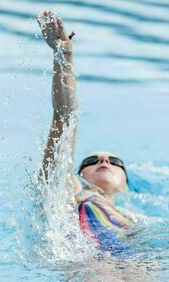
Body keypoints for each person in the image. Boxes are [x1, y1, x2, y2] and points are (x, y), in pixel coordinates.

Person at [37, 11, 137, 256]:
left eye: (115, 162)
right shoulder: (72, 193)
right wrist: (64, 56)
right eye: (92, 160)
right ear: (78, 175)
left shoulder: (137, 220)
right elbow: (64, 119)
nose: (104, 161)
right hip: (89, 265)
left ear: (126, 185)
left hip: (136, 260)